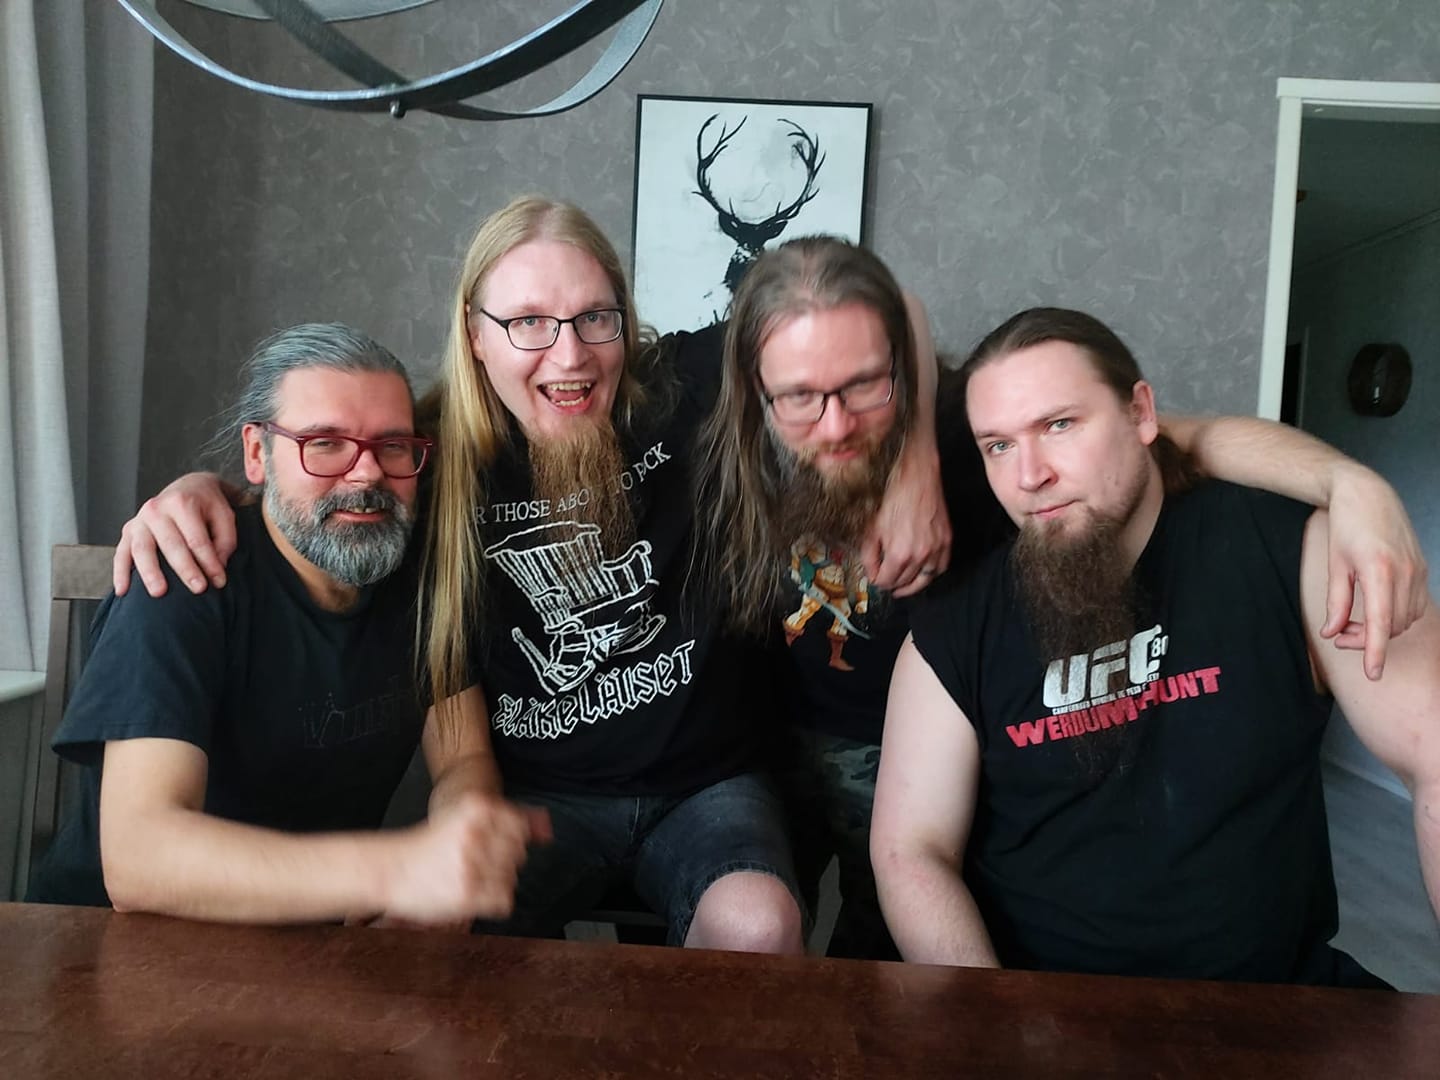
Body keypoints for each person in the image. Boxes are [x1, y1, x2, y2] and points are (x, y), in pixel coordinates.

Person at [103, 199, 950, 952]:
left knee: (760, 926)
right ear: (475, 334)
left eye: (594, 318)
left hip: (708, 785)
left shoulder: (683, 390)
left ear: (625, 319)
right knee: (425, 941)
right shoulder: (426, 458)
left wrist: (917, 470)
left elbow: (891, 309)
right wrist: (201, 491)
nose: (568, 354)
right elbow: (323, 486)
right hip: (537, 801)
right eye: (529, 323)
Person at [696, 238, 1431, 961]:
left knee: (875, 948)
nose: (836, 422)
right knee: (772, 950)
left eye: (864, 385)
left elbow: (1184, 439)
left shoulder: (977, 432)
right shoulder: (727, 418)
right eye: (800, 397)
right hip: (779, 733)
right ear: (758, 388)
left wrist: (1349, 483)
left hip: (927, 742)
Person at [871, 307, 1440, 986]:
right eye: (998, 446)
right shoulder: (956, 627)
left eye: (1059, 425)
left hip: (1280, 1003)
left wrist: (1351, 483)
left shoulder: (1289, 553)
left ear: (1142, 414)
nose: (1029, 475)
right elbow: (910, 850)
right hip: (1043, 1010)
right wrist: (989, 1013)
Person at [27, 323, 546, 925]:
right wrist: (396, 872)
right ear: (257, 453)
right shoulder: (185, 574)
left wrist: (461, 852)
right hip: (112, 949)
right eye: (324, 443)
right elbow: (139, 860)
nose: (367, 474)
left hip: (316, 948)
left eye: (392, 446)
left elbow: (462, 758)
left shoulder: (424, 574)